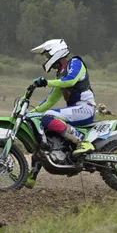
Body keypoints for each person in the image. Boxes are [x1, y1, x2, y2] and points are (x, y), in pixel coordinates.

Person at [26, 39, 96, 188]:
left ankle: (82, 142)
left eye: (47, 56)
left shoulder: (75, 63)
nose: (46, 59)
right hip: (76, 111)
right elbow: (49, 101)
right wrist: (30, 114)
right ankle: (32, 175)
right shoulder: (60, 75)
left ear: (56, 52)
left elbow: (70, 81)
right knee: (42, 133)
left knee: (49, 116)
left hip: (85, 107)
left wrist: (46, 82)